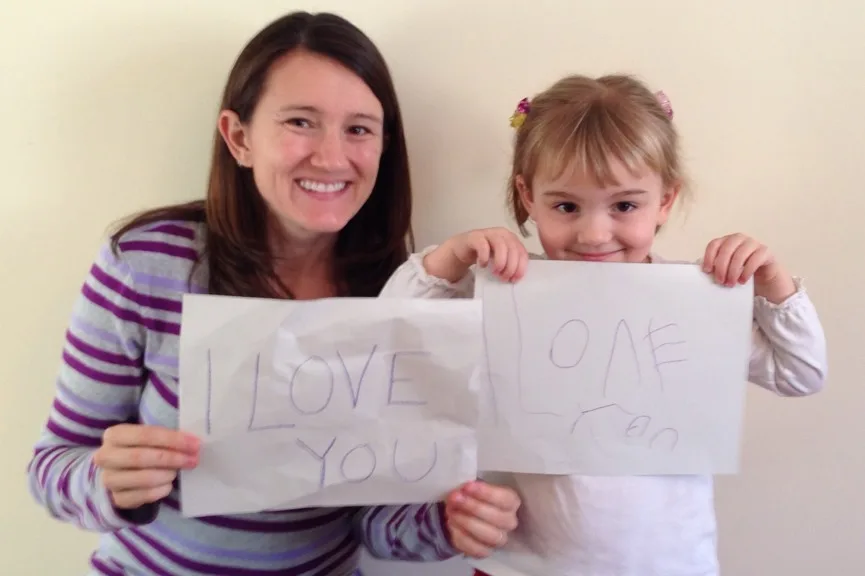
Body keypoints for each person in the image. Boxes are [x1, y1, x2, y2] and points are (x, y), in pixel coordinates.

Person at [26, 11, 520, 575]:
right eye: (301, 122)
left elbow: (376, 522)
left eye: (358, 128)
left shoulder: (396, 292)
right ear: (239, 138)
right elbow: (51, 469)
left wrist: (448, 524)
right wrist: (106, 479)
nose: (332, 157)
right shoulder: (149, 263)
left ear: (384, 147)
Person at [380, 73, 828, 575]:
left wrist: (775, 286)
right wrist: (450, 259)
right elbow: (387, 340)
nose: (594, 234)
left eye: (624, 205)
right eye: (566, 206)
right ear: (528, 196)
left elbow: (802, 374)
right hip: (524, 566)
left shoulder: (693, 304)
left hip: (668, 565)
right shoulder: (505, 289)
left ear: (665, 200)